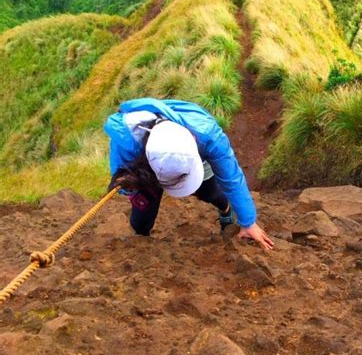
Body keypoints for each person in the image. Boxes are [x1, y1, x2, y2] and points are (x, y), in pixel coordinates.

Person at [104, 98, 273, 251]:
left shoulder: (208, 135)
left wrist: (248, 222)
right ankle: (142, 243)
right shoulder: (125, 141)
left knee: (209, 192)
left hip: (192, 149)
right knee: (142, 217)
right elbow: (121, 180)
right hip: (144, 164)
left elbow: (231, 178)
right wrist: (128, 185)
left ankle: (226, 209)